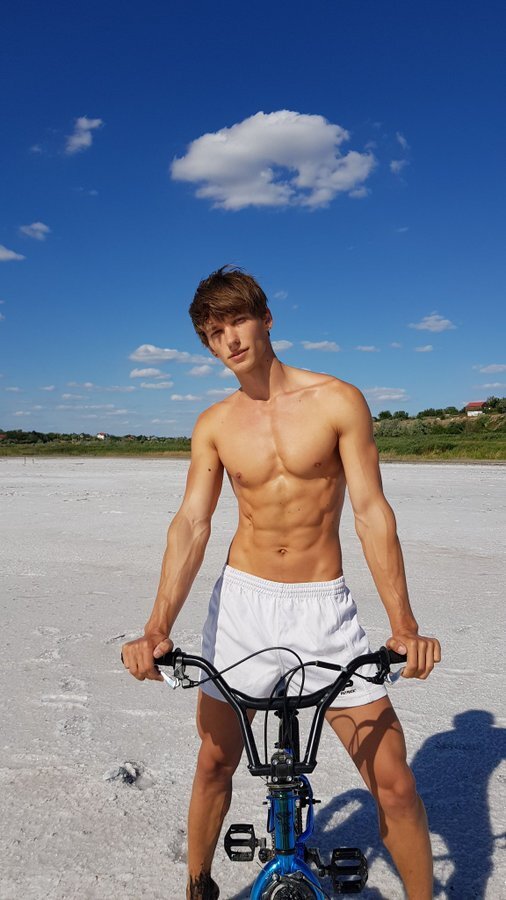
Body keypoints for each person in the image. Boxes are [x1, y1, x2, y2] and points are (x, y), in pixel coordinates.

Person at [122, 266, 441, 900]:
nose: (230, 340)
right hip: (244, 606)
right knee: (215, 761)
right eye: (214, 333)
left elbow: (371, 512)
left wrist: (404, 624)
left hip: (323, 608)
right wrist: (157, 626)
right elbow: (192, 524)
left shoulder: (338, 401)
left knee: (396, 784)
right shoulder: (215, 424)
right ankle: (199, 886)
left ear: (267, 319)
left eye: (238, 321)